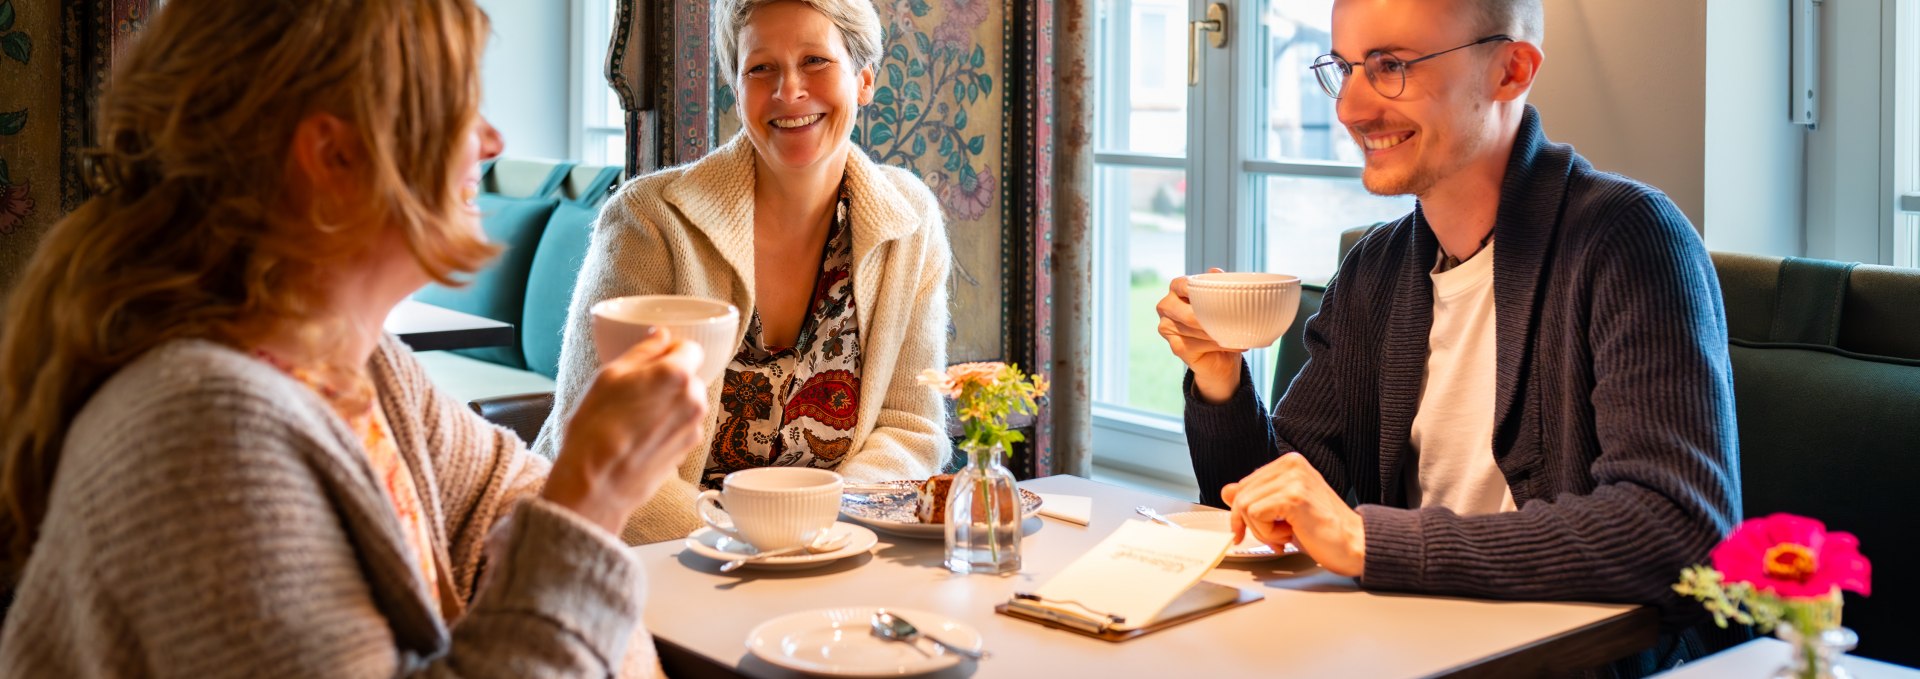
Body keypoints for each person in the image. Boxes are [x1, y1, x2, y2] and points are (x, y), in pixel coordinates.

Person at [0, 1, 708, 675]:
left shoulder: (363, 369)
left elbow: (512, 508)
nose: (492, 142)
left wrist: (575, 511)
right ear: (333, 153)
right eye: (457, 105)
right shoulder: (204, 432)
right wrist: (590, 497)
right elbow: (560, 554)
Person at [1157, 0, 1740, 672]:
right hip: (1408, 654)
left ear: (1510, 70)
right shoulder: (1375, 268)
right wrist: (1219, 379)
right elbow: (1270, 508)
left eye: (1391, 66)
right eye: (1344, 68)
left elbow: (1676, 526)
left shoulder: (1630, 238)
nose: (1349, 108)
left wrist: (1370, 541)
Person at [535, 0, 953, 544]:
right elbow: (594, 441)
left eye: (816, 62)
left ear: (865, 80)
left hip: (827, 555)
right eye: (761, 69)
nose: (789, 91)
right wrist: (749, 541)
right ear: (737, 89)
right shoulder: (651, 221)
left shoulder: (910, 220)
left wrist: (822, 532)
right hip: (641, 556)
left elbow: (909, 427)